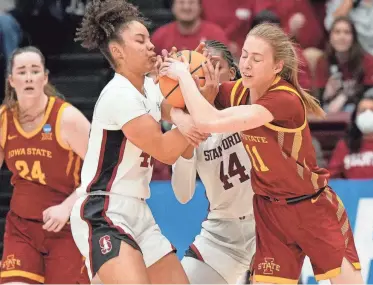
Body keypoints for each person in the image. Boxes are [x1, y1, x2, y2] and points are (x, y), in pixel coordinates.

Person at [162, 23, 363, 283]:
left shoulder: (284, 99)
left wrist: (184, 77)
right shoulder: (238, 92)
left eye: (256, 59)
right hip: (271, 214)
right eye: (244, 55)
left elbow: (208, 119)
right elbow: (167, 104)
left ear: (277, 66)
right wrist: (180, 109)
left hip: (311, 206)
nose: (246, 64)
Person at [69, 0, 206, 283]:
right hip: (104, 210)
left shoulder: (147, 87)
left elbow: (173, 108)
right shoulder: (119, 94)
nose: (151, 46)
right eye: (140, 40)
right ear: (118, 51)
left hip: (138, 210)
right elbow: (166, 151)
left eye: (149, 39)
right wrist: (198, 118)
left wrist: (188, 81)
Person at [0, 46, 90, 284]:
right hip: (22, 228)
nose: (28, 77)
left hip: (67, 227)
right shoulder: (3, 119)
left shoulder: (66, 118)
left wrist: (67, 206)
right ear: (11, 80)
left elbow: (104, 170)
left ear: (45, 78)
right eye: (21, 71)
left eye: (35, 70)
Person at [171, 40, 255, 285]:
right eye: (199, 68)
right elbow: (183, 194)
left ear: (232, 73)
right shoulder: (187, 124)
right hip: (221, 233)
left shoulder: (248, 103)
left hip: (267, 223)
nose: (206, 74)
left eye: (214, 66)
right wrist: (184, 120)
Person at [315, 16, 373, 112]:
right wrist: (326, 94)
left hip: (360, 108)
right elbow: (317, 100)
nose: (342, 37)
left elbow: (372, 95)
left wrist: (344, 97)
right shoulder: (323, 61)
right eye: (337, 32)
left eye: (347, 32)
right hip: (330, 108)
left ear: (354, 37)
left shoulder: (367, 60)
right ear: (330, 37)